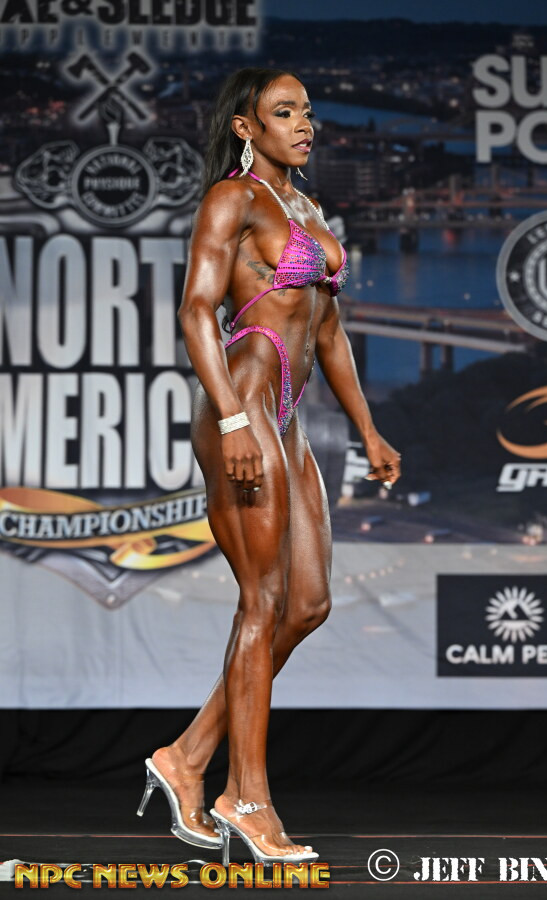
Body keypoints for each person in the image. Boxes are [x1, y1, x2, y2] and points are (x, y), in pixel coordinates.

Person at [136, 67, 402, 865]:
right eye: (284, 113)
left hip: (289, 420)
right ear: (247, 127)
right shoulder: (234, 199)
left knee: (307, 605)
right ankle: (245, 798)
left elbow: (327, 333)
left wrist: (369, 430)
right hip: (243, 405)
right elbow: (195, 311)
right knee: (263, 603)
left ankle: (185, 756)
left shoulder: (308, 212)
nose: (304, 124)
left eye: (308, 112)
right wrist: (230, 418)